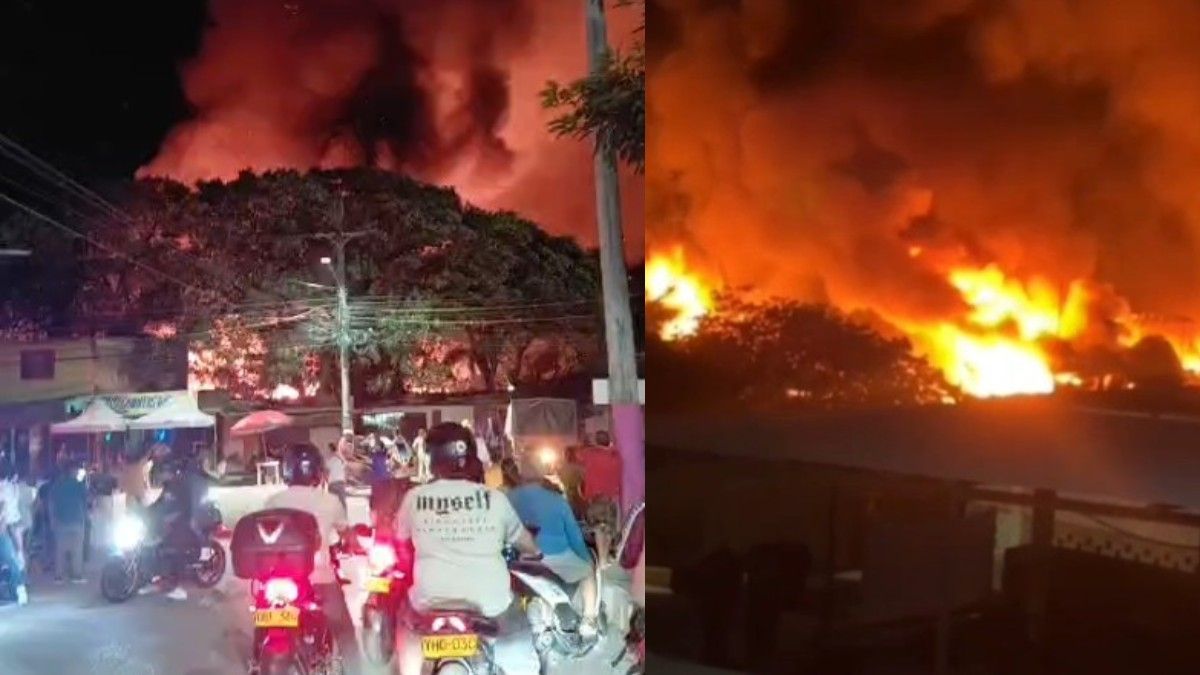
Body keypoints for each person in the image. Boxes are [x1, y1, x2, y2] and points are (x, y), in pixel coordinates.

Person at [394, 422, 541, 675]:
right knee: (520, 642)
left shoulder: (414, 498)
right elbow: (524, 542)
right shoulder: (494, 498)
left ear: (431, 459)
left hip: (429, 603)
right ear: (471, 457)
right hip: (490, 604)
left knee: (405, 623)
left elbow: (399, 538)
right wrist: (534, 553)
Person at [264, 444, 360, 672]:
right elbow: (348, 535)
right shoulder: (330, 501)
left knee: (265, 615)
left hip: (278, 579)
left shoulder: (273, 501)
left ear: (287, 471)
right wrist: (354, 545)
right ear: (317, 471)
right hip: (318, 579)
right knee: (345, 631)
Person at [506, 457, 598, 618]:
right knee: (587, 573)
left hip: (519, 559)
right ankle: (589, 621)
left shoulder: (508, 498)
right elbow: (574, 537)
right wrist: (587, 560)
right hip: (556, 556)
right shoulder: (556, 499)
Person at [48, 459, 89, 584]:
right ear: (73, 471)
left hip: (60, 520)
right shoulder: (79, 485)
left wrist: (52, 519)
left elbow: (51, 503)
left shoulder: (57, 485)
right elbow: (86, 500)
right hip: (77, 519)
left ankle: (59, 576)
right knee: (77, 549)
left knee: (60, 549)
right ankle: (76, 575)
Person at [0, 463, 28, 605]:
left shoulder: (4, 488)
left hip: (5, 527)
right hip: (14, 524)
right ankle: (19, 588)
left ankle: (18, 588)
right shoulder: (13, 487)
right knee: (14, 558)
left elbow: (3, 510)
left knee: (10, 560)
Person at [578, 430, 622, 506]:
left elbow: (577, 455)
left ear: (596, 442)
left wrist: (585, 442)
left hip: (595, 497)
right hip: (613, 498)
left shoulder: (589, 455)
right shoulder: (617, 456)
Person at [325, 441, 349, 511]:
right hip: (340, 483)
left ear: (330, 450)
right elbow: (346, 466)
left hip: (332, 483)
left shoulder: (330, 460)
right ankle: (344, 517)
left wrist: (326, 481)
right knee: (342, 502)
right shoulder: (341, 460)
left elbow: (327, 472)